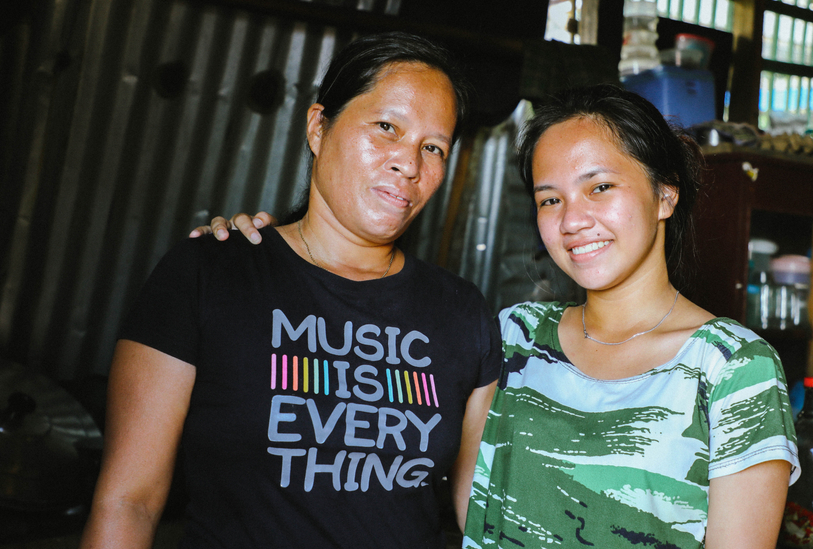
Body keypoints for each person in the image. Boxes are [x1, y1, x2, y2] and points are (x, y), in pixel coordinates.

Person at [204, 84, 800, 548]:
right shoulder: (514, 336)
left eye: (599, 188)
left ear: (664, 195)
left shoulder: (732, 369)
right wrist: (270, 250)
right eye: (550, 198)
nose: (572, 219)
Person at [80, 32, 501, 549]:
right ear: (318, 126)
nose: (409, 164)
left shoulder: (461, 313)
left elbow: (481, 515)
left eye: (432, 147)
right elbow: (128, 503)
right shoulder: (211, 274)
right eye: (386, 127)